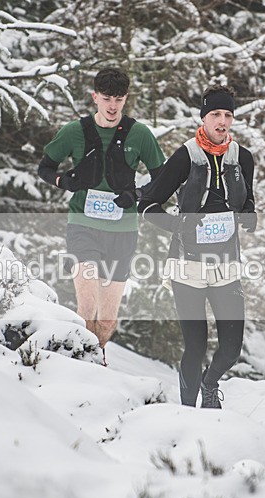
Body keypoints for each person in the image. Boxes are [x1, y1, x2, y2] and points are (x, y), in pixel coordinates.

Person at [138, 85, 257, 408]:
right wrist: (178, 224)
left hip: (226, 267)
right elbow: (148, 206)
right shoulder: (185, 156)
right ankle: (188, 412)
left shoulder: (242, 158)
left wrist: (249, 215)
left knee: (231, 348)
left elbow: (247, 201)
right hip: (187, 267)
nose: (222, 121)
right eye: (215, 114)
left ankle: (210, 382)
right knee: (195, 346)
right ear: (203, 118)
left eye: (228, 115)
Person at [38, 68, 166, 363]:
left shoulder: (140, 134)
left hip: (123, 230)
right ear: (94, 97)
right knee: (87, 305)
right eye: (106, 98)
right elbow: (45, 167)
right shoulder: (74, 132)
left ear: (126, 99)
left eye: (118, 99)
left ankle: (99, 360)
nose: (112, 106)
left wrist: (135, 194)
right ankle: (80, 366)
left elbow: (162, 178)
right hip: (82, 224)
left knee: (107, 321)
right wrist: (62, 181)